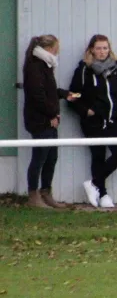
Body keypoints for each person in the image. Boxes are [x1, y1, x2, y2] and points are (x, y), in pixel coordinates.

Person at [68, 34, 117, 208]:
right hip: (93, 122)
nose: (102, 51)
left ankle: (94, 183)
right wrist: (86, 111)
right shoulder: (84, 69)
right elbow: (73, 95)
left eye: (105, 48)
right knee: (98, 156)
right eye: (98, 48)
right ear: (91, 50)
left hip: (113, 121)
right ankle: (103, 195)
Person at [23, 35, 78, 209]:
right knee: (39, 157)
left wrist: (64, 94)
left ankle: (46, 193)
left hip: (48, 119)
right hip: (40, 121)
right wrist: (52, 114)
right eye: (56, 47)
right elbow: (37, 96)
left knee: (51, 157)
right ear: (50, 48)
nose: (58, 50)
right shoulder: (35, 67)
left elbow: (49, 90)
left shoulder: (45, 66)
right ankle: (33, 196)